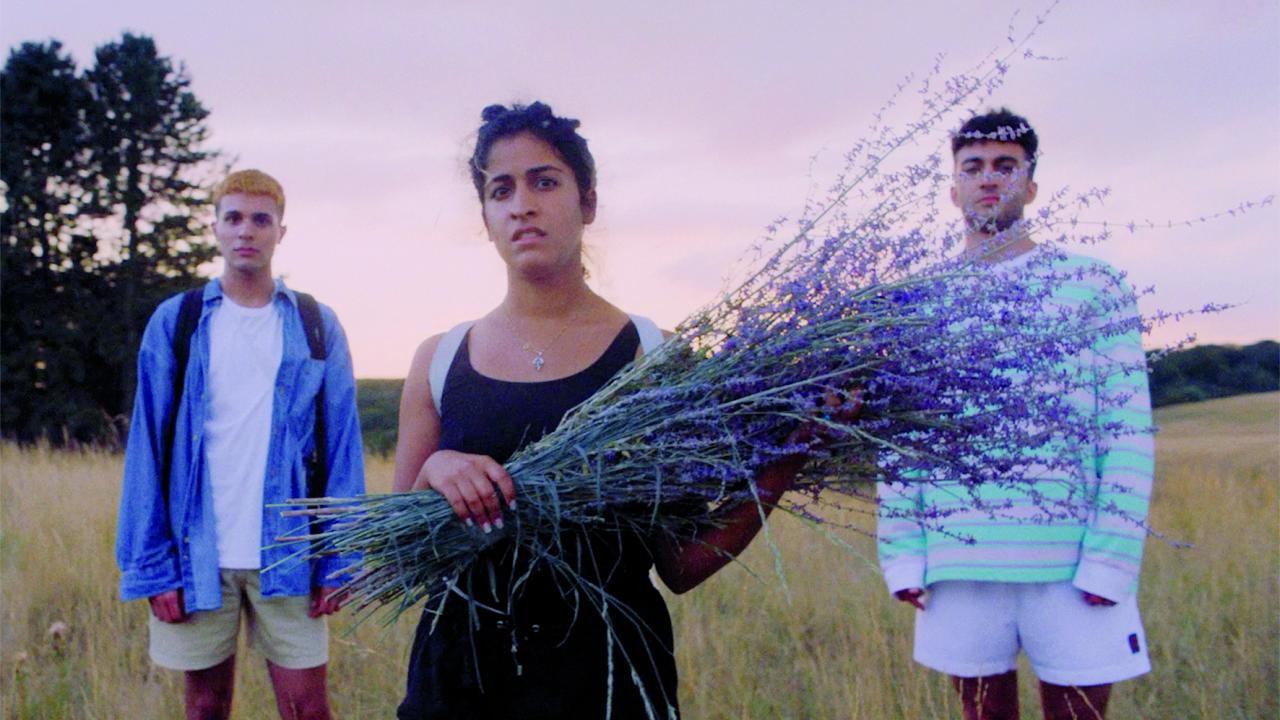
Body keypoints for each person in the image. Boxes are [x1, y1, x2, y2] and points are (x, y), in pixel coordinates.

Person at [391, 102, 814, 719]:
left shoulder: (653, 356)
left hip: (608, 682)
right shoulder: (439, 358)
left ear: (587, 203)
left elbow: (683, 561)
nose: (521, 204)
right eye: (500, 189)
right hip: (460, 685)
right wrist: (437, 469)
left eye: (544, 181)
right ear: (485, 218)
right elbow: (403, 557)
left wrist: (791, 451)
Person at [877, 109, 1154, 720]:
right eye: (972, 167)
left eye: (1006, 166)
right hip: (959, 560)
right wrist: (903, 551)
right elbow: (902, 440)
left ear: (1030, 185)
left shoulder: (1094, 285)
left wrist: (1110, 559)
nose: (989, 179)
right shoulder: (915, 300)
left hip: (1071, 561)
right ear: (953, 189)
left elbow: (1128, 430)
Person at [116, 169, 365, 720]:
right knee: (205, 707)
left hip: (291, 554)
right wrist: (155, 568)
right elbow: (147, 450)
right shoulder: (177, 322)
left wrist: (339, 559)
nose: (245, 230)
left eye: (260, 219)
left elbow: (343, 444)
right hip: (197, 553)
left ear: (281, 231)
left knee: (308, 709)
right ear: (215, 229)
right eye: (233, 218)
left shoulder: (315, 324)